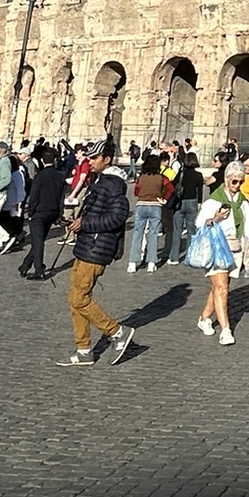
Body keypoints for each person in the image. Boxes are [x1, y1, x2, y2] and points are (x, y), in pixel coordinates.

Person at [60, 146, 134, 366]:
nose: (90, 161)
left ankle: (117, 332)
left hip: (96, 249)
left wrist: (85, 223)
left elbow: (118, 217)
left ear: (107, 159)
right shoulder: (101, 182)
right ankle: (83, 349)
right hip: (87, 246)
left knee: (79, 299)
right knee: (75, 299)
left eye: (94, 158)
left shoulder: (112, 185)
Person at [195, 159, 249, 345]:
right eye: (234, 181)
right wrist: (215, 219)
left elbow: (247, 223)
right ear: (226, 179)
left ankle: (204, 318)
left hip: (234, 247)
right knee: (222, 287)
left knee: (220, 287)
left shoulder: (242, 202)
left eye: (241, 181)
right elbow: (199, 223)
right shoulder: (213, 201)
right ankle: (226, 330)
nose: (237, 185)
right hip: (215, 245)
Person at [20, 144, 70, 280]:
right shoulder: (60, 176)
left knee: (38, 242)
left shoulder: (40, 176)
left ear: (42, 161)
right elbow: (61, 198)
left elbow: (34, 196)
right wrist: (59, 214)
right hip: (52, 212)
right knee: (39, 240)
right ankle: (25, 266)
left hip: (39, 212)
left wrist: (30, 212)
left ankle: (39, 270)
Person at [127, 152, 168, 270]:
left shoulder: (141, 178)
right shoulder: (161, 178)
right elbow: (169, 188)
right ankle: (151, 262)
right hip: (156, 206)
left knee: (137, 233)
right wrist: (163, 198)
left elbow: (136, 192)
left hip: (141, 205)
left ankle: (132, 262)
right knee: (153, 234)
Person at [167, 149, 204, 267]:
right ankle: (190, 255)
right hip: (192, 202)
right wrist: (199, 203)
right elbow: (200, 191)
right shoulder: (198, 175)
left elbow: (173, 185)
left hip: (180, 202)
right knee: (191, 230)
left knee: (177, 230)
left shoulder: (181, 173)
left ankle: (174, 257)